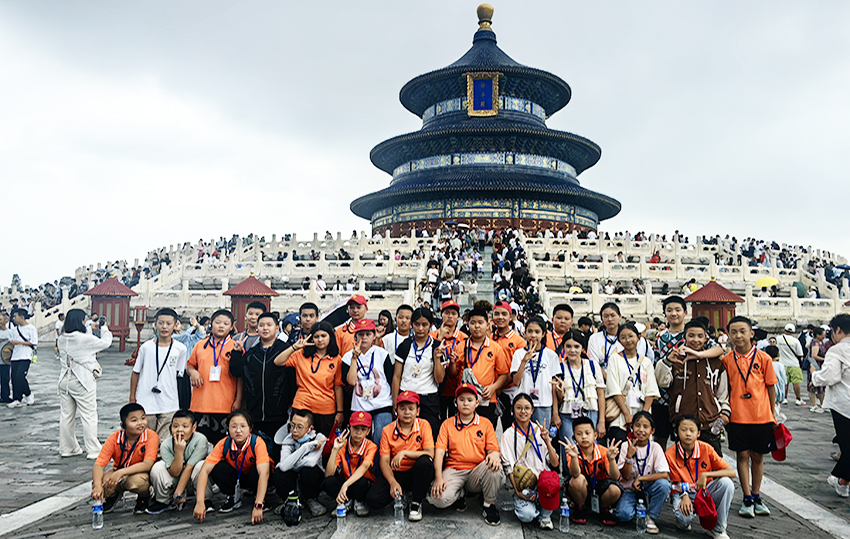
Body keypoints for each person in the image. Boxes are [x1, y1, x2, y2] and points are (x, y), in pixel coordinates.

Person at [722, 316, 777, 518]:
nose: (738, 336)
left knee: (758, 456)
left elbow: (770, 387)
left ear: (751, 333)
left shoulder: (764, 358)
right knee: (742, 455)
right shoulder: (726, 360)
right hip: (737, 416)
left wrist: (772, 413)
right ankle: (746, 496)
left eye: (742, 331)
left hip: (761, 415)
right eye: (733, 332)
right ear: (729, 335)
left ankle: (756, 494)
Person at [427, 383, 503, 526]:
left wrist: (494, 454)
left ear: (477, 403)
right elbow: (439, 452)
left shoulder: (485, 424)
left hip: (476, 471)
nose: (466, 403)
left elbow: (493, 449)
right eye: (461, 400)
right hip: (454, 470)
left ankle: (489, 505)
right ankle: (459, 494)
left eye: (469, 400)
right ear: (456, 402)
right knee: (437, 499)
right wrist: (438, 477)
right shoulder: (447, 424)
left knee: (495, 468)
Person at [653, 296, 723, 448]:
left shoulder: (694, 331)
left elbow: (718, 349)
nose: (674, 313)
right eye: (669, 310)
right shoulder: (660, 336)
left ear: (685, 312)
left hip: (689, 394)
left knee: (689, 439)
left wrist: (698, 355)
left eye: (678, 310)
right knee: (661, 438)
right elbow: (657, 361)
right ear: (665, 313)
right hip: (664, 395)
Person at [366, 391, 435, 521]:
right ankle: (402, 493)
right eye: (402, 408)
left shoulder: (424, 425)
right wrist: (392, 482)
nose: (407, 412)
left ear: (418, 411)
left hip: (415, 473)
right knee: (373, 499)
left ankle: (416, 502)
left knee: (425, 462)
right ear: (396, 410)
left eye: (411, 408)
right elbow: (384, 462)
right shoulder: (387, 430)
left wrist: (404, 453)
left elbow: (430, 452)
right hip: (397, 473)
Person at [193, 411, 271, 523]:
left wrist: (258, 505)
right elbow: (204, 470)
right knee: (217, 467)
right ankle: (232, 496)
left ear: (250, 428)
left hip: (255, 477)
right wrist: (200, 502)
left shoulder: (257, 443)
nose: (238, 430)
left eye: (243, 426)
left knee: (258, 471)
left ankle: (260, 497)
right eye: (234, 426)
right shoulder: (223, 443)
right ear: (228, 429)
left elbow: (264, 473)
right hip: (237, 476)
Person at [230, 312, 295, 445]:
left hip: (279, 413)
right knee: (257, 448)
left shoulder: (286, 350)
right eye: (262, 325)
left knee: (277, 449)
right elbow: (236, 372)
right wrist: (236, 352)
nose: (265, 328)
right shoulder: (251, 354)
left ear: (277, 328)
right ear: (257, 328)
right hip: (254, 413)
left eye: (269, 325)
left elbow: (293, 380)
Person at [666, 415, 736, 539]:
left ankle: (718, 529)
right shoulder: (670, 453)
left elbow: (731, 472)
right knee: (684, 519)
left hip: (705, 490)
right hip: (684, 491)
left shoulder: (706, 448)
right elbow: (675, 482)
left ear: (698, 433)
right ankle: (682, 521)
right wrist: (684, 496)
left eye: (692, 430)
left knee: (727, 483)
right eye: (683, 430)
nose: (688, 434)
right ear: (677, 432)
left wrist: (707, 474)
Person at [57, 308, 112, 459]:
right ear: (80, 321)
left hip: (65, 379)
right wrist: (104, 328)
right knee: (89, 415)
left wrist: (90, 328)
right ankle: (93, 449)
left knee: (66, 416)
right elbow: (105, 343)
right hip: (82, 380)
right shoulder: (83, 339)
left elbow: (81, 339)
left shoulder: (62, 338)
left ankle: (68, 448)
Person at [500, 393, 560, 529]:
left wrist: (547, 441)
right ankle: (535, 509)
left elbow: (555, 463)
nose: (523, 411)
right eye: (519, 408)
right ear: (513, 410)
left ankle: (543, 515)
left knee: (550, 494)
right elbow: (508, 468)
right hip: (524, 484)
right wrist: (518, 492)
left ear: (532, 411)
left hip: (542, 482)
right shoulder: (508, 435)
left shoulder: (540, 431)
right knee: (527, 516)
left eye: (527, 408)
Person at [274, 321, 344, 436]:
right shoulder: (301, 354)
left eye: (323, 336)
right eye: (316, 336)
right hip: (302, 406)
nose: (320, 340)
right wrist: (294, 347)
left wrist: (340, 411)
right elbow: (278, 361)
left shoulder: (337, 359)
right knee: (298, 441)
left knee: (322, 443)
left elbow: (338, 386)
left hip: (325, 409)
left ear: (330, 337)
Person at [130, 308, 188, 440]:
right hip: (146, 400)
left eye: (168, 323)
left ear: (175, 325)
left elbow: (177, 374)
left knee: (165, 440)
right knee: (145, 439)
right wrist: (132, 397)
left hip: (169, 401)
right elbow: (136, 372)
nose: (164, 327)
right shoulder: (146, 347)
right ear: (155, 324)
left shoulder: (180, 349)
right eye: (161, 323)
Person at [808, 313, 850, 498]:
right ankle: (842, 482)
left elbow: (831, 376)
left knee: (847, 445)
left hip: (843, 403)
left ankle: (839, 478)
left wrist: (815, 376)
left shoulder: (837, 350)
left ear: (838, 330)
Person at [91, 403, 160, 514]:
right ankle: (113, 495)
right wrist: (97, 486)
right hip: (118, 470)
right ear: (123, 424)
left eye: (143, 418)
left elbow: (147, 464)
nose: (140, 423)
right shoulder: (114, 438)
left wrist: (121, 473)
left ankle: (144, 498)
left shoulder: (151, 436)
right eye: (134, 420)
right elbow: (99, 465)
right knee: (101, 482)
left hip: (140, 473)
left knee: (135, 482)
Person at [186, 309, 242, 443]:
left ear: (231, 327)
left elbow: (240, 377)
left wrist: (239, 399)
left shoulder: (236, 347)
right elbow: (190, 366)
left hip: (225, 404)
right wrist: (193, 372)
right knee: (200, 443)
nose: (221, 326)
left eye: (226, 324)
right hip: (201, 403)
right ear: (211, 324)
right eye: (218, 322)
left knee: (221, 443)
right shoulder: (200, 345)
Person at [450, 308, 510, 427]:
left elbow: (504, 375)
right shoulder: (461, 346)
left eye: (480, 323)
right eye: (473, 323)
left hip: (486, 399)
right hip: (465, 400)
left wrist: (493, 387)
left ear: (487, 325)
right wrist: (452, 363)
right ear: (467, 325)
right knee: (464, 432)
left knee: (485, 432)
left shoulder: (495, 348)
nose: (476, 326)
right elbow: (452, 375)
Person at [614, 411, 671, 534]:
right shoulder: (625, 445)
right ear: (632, 427)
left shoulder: (655, 447)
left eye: (645, 427)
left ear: (652, 430)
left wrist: (640, 479)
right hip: (629, 490)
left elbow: (664, 474)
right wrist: (629, 457)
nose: (641, 430)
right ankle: (637, 509)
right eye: (637, 425)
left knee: (664, 485)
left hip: (648, 488)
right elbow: (626, 476)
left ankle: (651, 516)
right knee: (623, 515)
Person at [560, 416, 623, 526]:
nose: (584, 437)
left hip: (600, 487)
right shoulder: (573, 450)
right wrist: (574, 457)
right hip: (582, 489)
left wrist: (612, 459)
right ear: (574, 438)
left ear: (595, 435)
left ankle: (604, 509)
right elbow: (574, 474)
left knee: (615, 490)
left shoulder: (604, 451)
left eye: (587, 433)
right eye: (579, 434)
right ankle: (580, 507)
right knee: (577, 480)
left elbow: (615, 477)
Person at [394, 307, 445, 438]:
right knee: (406, 436)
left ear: (431, 325)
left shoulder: (437, 346)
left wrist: (437, 358)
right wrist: (395, 403)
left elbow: (439, 379)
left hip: (428, 399)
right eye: (417, 324)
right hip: (406, 396)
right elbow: (396, 376)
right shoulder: (405, 346)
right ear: (412, 324)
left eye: (424, 324)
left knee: (429, 436)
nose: (420, 328)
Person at [147, 410, 210, 514]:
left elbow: (189, 467)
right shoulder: (166, 445)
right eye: (175, 426)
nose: (179, 430)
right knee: (158, 467)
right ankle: (163, 501)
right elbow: (175, 472)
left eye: (185, 426)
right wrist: (179, 452)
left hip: (194, 481)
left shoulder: (200, 440)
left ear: (193, 428)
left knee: (201, 466)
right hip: (176, 479)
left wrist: (178, 493)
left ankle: (205, 500)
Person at [553, 329, 606, 451]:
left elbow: (600, 394)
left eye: (576, 346)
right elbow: (558, 398)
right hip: (567, 413)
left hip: (590, 412)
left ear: (582, 348)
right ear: (563, 347)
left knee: (590, 447)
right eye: (568, 346)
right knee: (569, 448)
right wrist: (560, 391)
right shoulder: (560, 367)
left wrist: (601, 421)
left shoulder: (592, 366)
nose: (572, 350)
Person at [343, 319, 395, 444]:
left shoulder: (382, 354)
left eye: (368, 334)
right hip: (360, 405)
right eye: (361, 334)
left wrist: (394, 403)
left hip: (382, 403)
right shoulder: (347, 357)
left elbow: (391, 379)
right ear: (355, 336)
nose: (364, 337)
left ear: (374, 335)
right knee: (360, 441)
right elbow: (351, 382)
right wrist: (354, 359)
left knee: (380, 438)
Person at [605, 323, 660, 442]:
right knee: (620, 447)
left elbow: (651, 390)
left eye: (631, 336)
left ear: (638, 338)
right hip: (620, 415)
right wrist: (626, 414)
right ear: (619, 340)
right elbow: (613, 388)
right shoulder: (614, 359)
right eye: (623, 337)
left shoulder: (646, 362)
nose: (627, 340)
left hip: (642, 412)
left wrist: (643, 416)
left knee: (642, 448)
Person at [272, 408, 328, 517]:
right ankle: (290, 500)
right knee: (279, 473)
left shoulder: (319, 438)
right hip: (293, 477)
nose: (294, 430)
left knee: (308, 471)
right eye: (292, 425)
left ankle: (311, 499)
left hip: (310, 477)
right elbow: (283, 467)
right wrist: (306, 448)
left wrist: (291, 462)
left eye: (299, 427)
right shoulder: (288, 439)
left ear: (310, 429)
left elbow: (311, 462)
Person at [322, 411, 377, 517]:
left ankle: (359, 501)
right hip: (346, 481)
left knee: (362, 482)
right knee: (328, 482)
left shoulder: (371, 446)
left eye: (363, 429)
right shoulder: (343, 444)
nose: (358, 432)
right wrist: (335, 450)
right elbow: (328, 474)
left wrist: (345, 485)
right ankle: (346, 501)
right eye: (355, 428)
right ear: (349, 428)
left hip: (360, 483)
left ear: (368, 431)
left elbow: (365, 466)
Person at [509, 316, 560, 427]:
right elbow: (516, 382)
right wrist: (524, 361)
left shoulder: (551, 355)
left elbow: (554, 386)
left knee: (541, 436)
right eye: (530, 331)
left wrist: (555, 413)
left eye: (537, 332)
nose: (533, 335)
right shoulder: (518, 354)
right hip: (523, 404)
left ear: (543, 334)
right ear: (525, 333)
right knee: (522, 435)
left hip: (544, 404)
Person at [492, 301, 527, 430]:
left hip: (511, 390)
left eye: (504, 314)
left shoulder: (519, 341)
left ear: (510, 317)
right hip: (492, 390)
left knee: (511, 429)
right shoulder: (489, 338)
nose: (500, 317)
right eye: (496, 314)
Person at [432, 300, 468, 420]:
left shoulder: (464, 338)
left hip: (456, 388)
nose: (450, 316)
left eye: (453, 313)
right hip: (436, 388)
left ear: (458, 317)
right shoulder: (432, 336)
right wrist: (440, 337)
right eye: (447, 313)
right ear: (441, 315)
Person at [6, 308, 38, 408]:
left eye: (15, 316)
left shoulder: (31, 328)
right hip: (15, 356)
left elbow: (33, 343)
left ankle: (28, 394)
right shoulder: (14, 330)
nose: (13, 318)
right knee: (14, 378)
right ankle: (17, 398)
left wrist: (19, 342)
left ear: (22, 317)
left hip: (25, 356)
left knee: (20, 376)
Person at [588, 303, 622, 376]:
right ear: (602, 320)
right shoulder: (594, 338)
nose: (609, 319)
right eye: (606, 316)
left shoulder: (625, 338)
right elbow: (594, 363)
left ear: (619, 317)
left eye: (613, 315)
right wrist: (608, 379)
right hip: (600, 379)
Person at [777, 323, 806, 406]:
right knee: (796, 382)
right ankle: (798, 399)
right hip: (794, 364)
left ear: (785, 330)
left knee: (784, 382)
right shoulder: (795, 341)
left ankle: (784, 398)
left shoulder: (779, 338)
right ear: (793, 332)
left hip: (782, 363)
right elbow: (800, 353)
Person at [807, 327, 827, 412]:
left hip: (820, 365)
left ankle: (823, 404)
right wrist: (824, 359)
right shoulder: (815, 343)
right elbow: (814, 355)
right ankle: (814, 405)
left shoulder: (820, 342)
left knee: (821, 386)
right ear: (818, 335)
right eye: (823, 335)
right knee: (813, 386)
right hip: (815, 365)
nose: (824, 337)